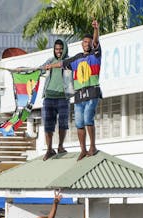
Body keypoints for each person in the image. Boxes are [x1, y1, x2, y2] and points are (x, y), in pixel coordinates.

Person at [46, 20, 102, 161]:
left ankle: (92, 146)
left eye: (89, 42)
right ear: (81, 44)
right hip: (79, 94)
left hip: (92, 91)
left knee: (88, 118)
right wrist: (49, 67)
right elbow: (61, 64)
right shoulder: (76, 58)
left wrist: (96, 29)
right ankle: (83, 149)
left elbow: (96, 41)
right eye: (84, 42)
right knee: (78, 122)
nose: (87, 43)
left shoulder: (95, 55)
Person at [40, 39, 74, 161]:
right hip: (49, 96)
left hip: (63, 97)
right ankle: (49, 149)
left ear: (64, 49)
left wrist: (51, 66)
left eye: (60, 49)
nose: (58, 51)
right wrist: (23, 70)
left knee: (63, 124)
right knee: (48, 125)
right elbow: (40, 69)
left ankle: (60, 146)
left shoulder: (69, 60)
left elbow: (63, 64)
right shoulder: (50, 60)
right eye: (56, 49)